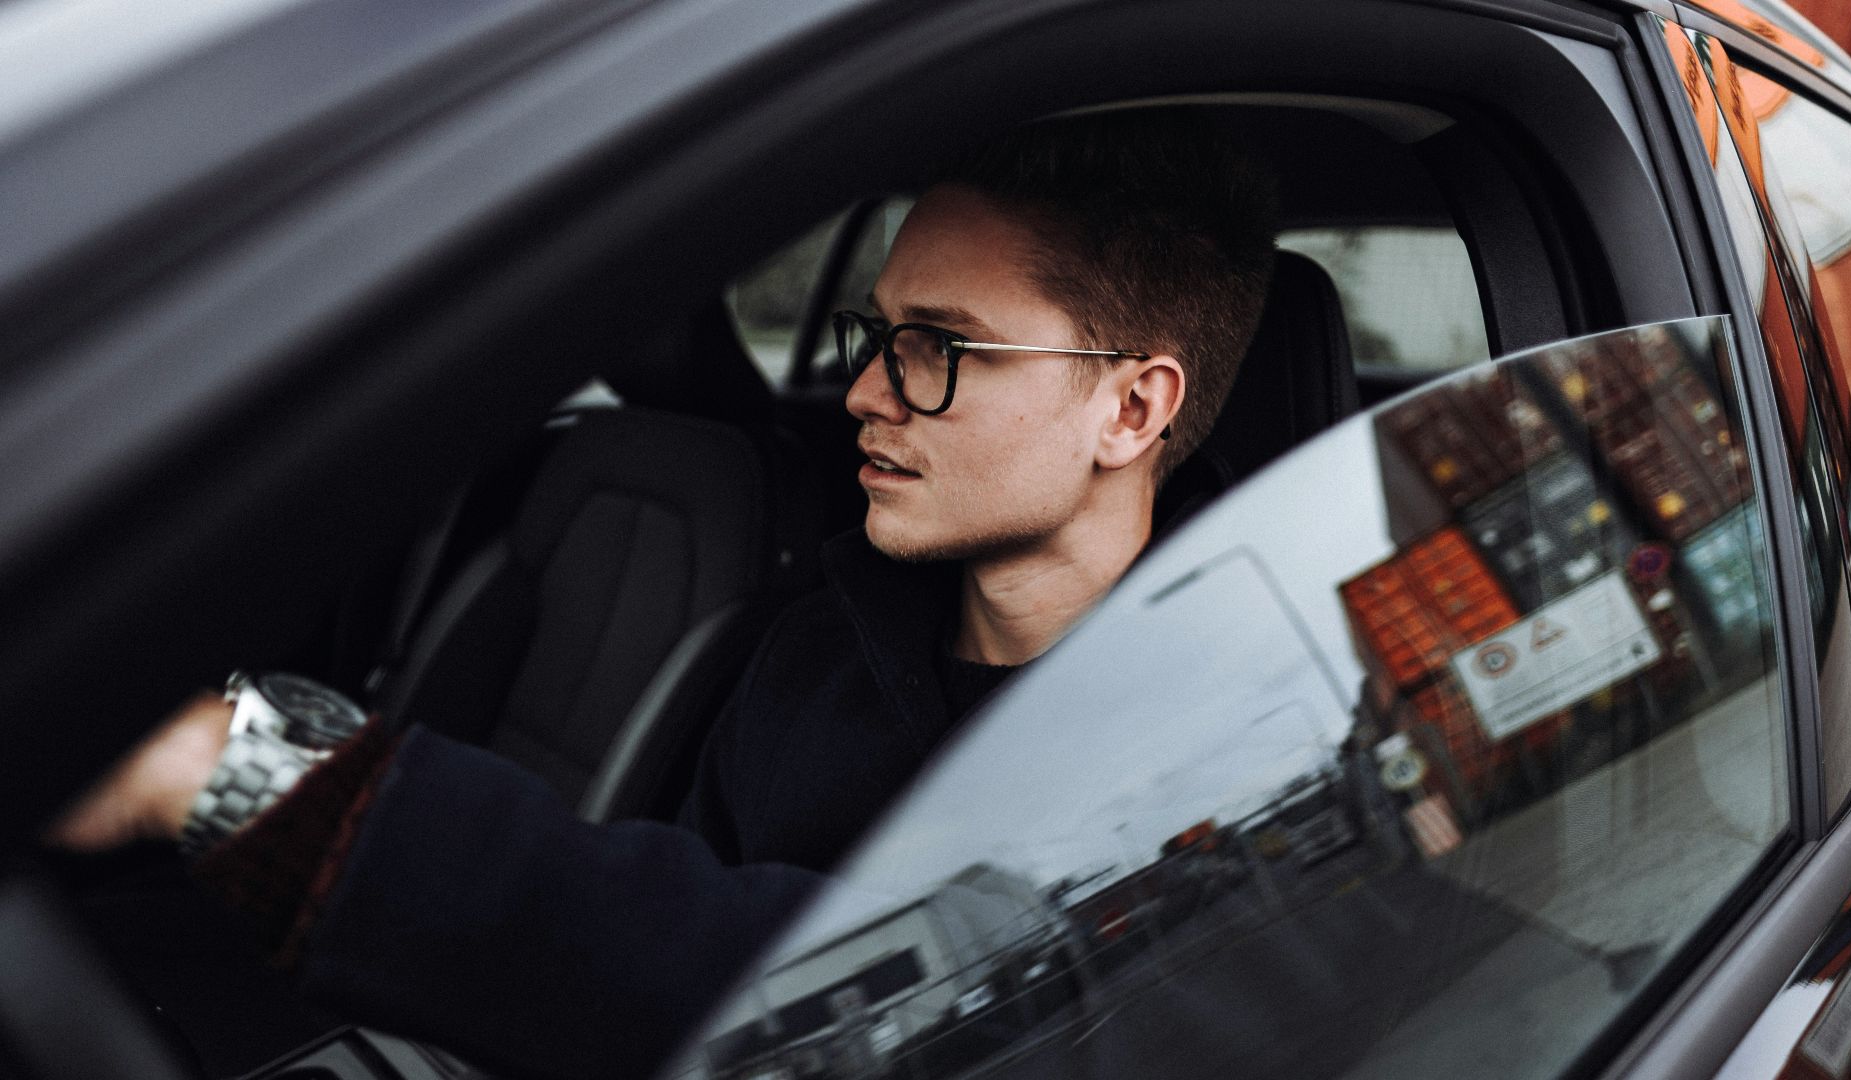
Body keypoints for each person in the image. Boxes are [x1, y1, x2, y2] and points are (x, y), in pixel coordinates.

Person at [50, 110, 1280, 1078]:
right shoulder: (815, 654)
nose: (865, 393)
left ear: (1131, 410)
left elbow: (922, 999)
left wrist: (247, 775)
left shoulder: (1254, 729)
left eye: (940, 350)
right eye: (877, 334)